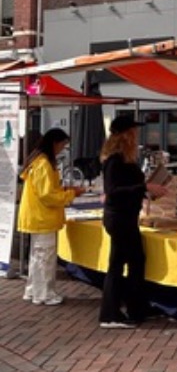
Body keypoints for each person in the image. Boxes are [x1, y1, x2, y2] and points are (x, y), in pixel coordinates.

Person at [99, 115, 169, 329]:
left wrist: (149, 190)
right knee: (119, 265)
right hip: (119, 218)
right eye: (134, 132)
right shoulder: (115, 159)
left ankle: (137, 307)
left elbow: (128, 187)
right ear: (126, 135)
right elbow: (112, 191)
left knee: (135, 261)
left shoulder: (124, 159)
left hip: (126, 217)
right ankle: (111, 314)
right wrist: (144, 188)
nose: (137, 136)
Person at [17, 128, 85, 305]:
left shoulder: (38, 161)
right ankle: (44, 294)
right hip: (42, 217)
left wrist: (65, 191)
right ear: (55, 143)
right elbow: (47, 195)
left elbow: (47, 191)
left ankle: (33, 290)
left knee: (38, 256)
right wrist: (70, 195)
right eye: (62, 145)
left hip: (39, 216)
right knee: (44, 257)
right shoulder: (43, 164)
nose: (63, 149)